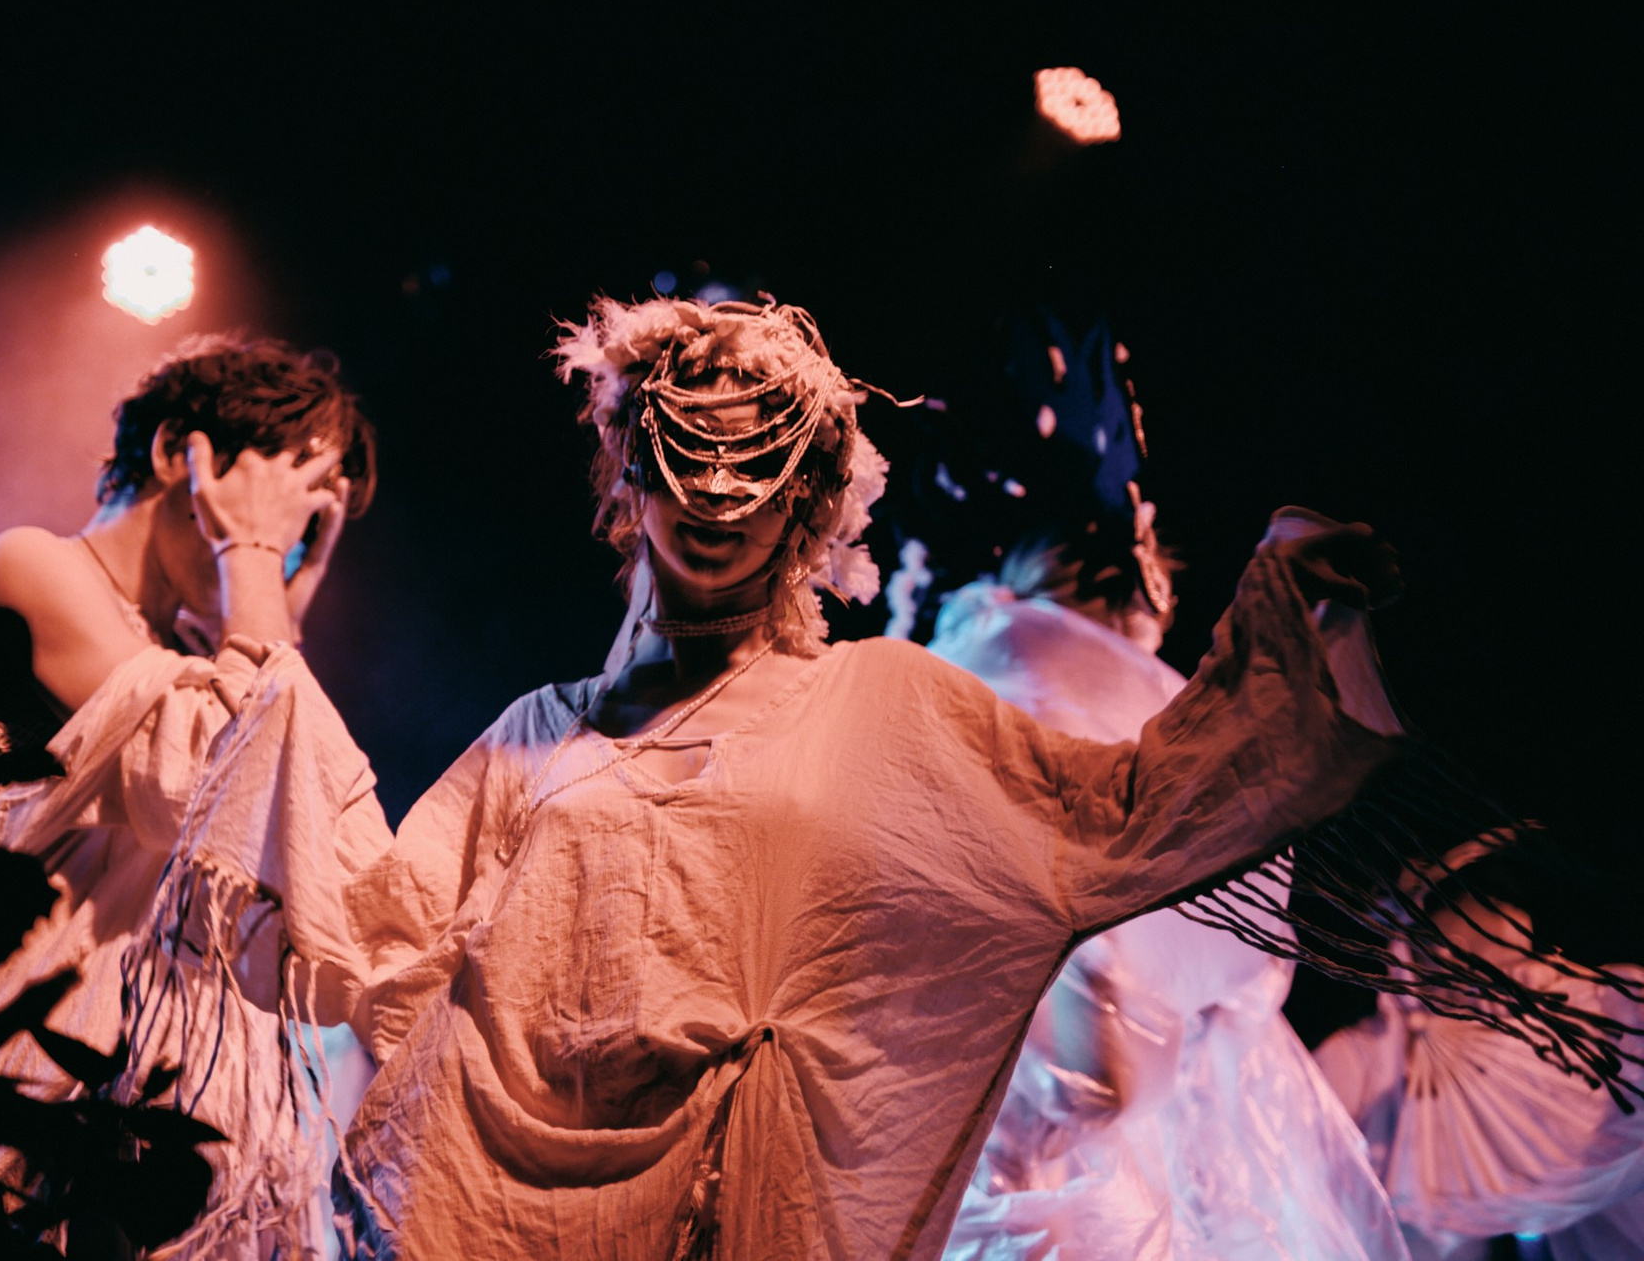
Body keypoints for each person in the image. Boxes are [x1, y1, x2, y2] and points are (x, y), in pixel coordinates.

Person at [131, 295, 1616, 1260]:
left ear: (811, 506)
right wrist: (255, 596)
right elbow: (365, 933)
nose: (718, 497)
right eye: (684, 455)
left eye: (758, 467)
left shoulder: (885, 706)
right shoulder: (541, 736)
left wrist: (1286, 613)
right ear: (627, 474)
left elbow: (1129, 813)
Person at [887, 308, 1405, 1259]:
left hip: (1074, 1151)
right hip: (1083, 1157)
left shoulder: (1012, 682)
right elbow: (1105, 1040)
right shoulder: (1043, 686)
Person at [0, 332, 375, 1233]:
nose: (289, 545)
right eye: (282, 502)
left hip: (136, 1107)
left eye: (307, 528)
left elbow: (302, 832)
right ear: (180, 453)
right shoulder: (30, 565)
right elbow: (221, 782)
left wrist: (268, 611)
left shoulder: (176, 654)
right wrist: (249, 559)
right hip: (31, 1094)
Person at [1315, 837, 1644, 1260]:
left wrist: (1571, 993)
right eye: (1469, 964)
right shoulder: (1363, 1056)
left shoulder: (1541, 1050)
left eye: (1515, 961)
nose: (1496, 987)